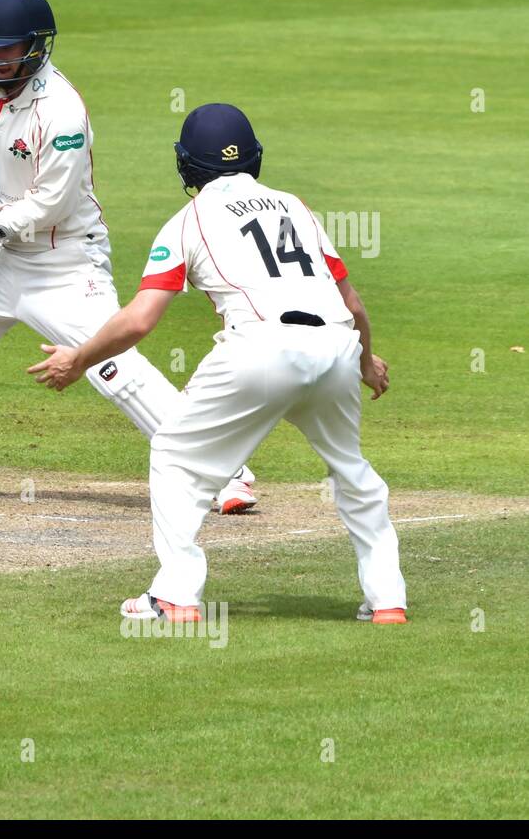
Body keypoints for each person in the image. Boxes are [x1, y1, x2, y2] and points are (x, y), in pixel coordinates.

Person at [28, 103, 407, 624]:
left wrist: (79, 358)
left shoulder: (189, 219)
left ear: (188, 165)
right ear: (254, 157)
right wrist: (366, 362)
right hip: (336, 348)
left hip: (259, 349)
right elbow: (353, 302)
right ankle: (388, 601)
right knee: (352, 472)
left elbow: (140, 320)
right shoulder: (295, 207)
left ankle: (175, 596)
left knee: (175, 454)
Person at [0, 0, 257, 513]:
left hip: (63, 261)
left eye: (8, 48)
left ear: (36, 46)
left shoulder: (61, 113)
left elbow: (49, 205)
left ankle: (226, 473)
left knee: (115, 369)